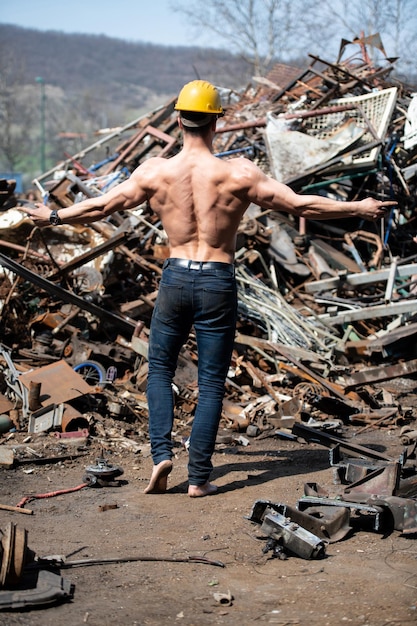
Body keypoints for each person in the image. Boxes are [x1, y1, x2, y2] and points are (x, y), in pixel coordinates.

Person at [22, 79, 396, 497]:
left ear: (179, 118)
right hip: (217, 279)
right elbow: (299, 204)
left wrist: (51, 215)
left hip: (176, 276)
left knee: (161, 369)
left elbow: (101, 206)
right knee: (213, 381)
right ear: (217, 122)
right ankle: (198, 478)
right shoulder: (239, 174)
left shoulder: (155, 173)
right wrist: (358, 207)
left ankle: (161, 453)